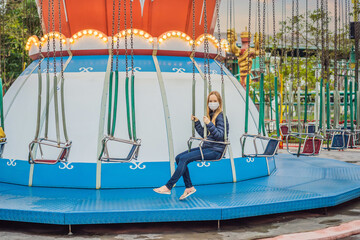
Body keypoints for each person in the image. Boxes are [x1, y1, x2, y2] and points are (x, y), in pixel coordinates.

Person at [153, 91, 229, 200]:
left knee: (184, 158)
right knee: (179, 158)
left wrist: (209, 123)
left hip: (216, 150)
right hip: (207, 147)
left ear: (219, 103)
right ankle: (189, 187)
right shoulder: (211, 115)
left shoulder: (221, 116)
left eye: (215, 101)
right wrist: (197, 122)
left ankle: (168, 187)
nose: (212, 103)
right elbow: (205, 134)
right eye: (210, 101)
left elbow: (220, 136)